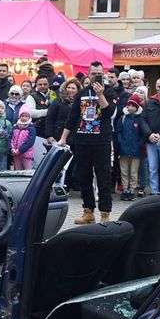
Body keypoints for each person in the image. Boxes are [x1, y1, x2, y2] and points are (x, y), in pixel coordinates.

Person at [59, 60, 117, 224]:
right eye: (93, 74)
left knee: (103, 177)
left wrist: (100, 95)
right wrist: (63, 138)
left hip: (101, 141)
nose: (95, 77)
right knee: (84, 177)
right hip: (82, 141)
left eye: (99, 74)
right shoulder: (82, 93)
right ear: (88, 74)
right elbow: (72, 117)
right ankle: (88, 211)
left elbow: (110, 113)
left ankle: (105, 213)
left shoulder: (110, 92)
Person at [116, 93, 145, 201]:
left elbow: (143, 133)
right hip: (124, 149)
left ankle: (132, 189)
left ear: (137, 107)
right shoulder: (123, 118)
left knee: (133, 171)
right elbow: (118, 131)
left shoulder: (140, 119)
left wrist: (140, 143)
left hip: (136, 149)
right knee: (124, 170)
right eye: (129, 105)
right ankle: (125, 188)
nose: (131, 107)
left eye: (133, 105)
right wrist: (120, 141)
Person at [26, 74, 52, 166]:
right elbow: (31, 112)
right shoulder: (31, 96)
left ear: (48, 84)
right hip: (38, 132)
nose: (42, 86)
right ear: (36, 84)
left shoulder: (54, 95)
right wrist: (47, 112)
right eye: (40, 84)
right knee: (38, 161)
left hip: (52, 133)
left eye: (45, 84)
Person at [10, 105, 36, 171]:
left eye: (26, 116)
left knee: (27, 170)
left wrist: (20, 150)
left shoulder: (31, 128)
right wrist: (12, 149)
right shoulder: (15, 127)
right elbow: (10, 139)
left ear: (29, 117)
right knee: (18, 170)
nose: (24, 118)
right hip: (15, 153)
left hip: (26, 154)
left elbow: (30, 142)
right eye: (22, 116)